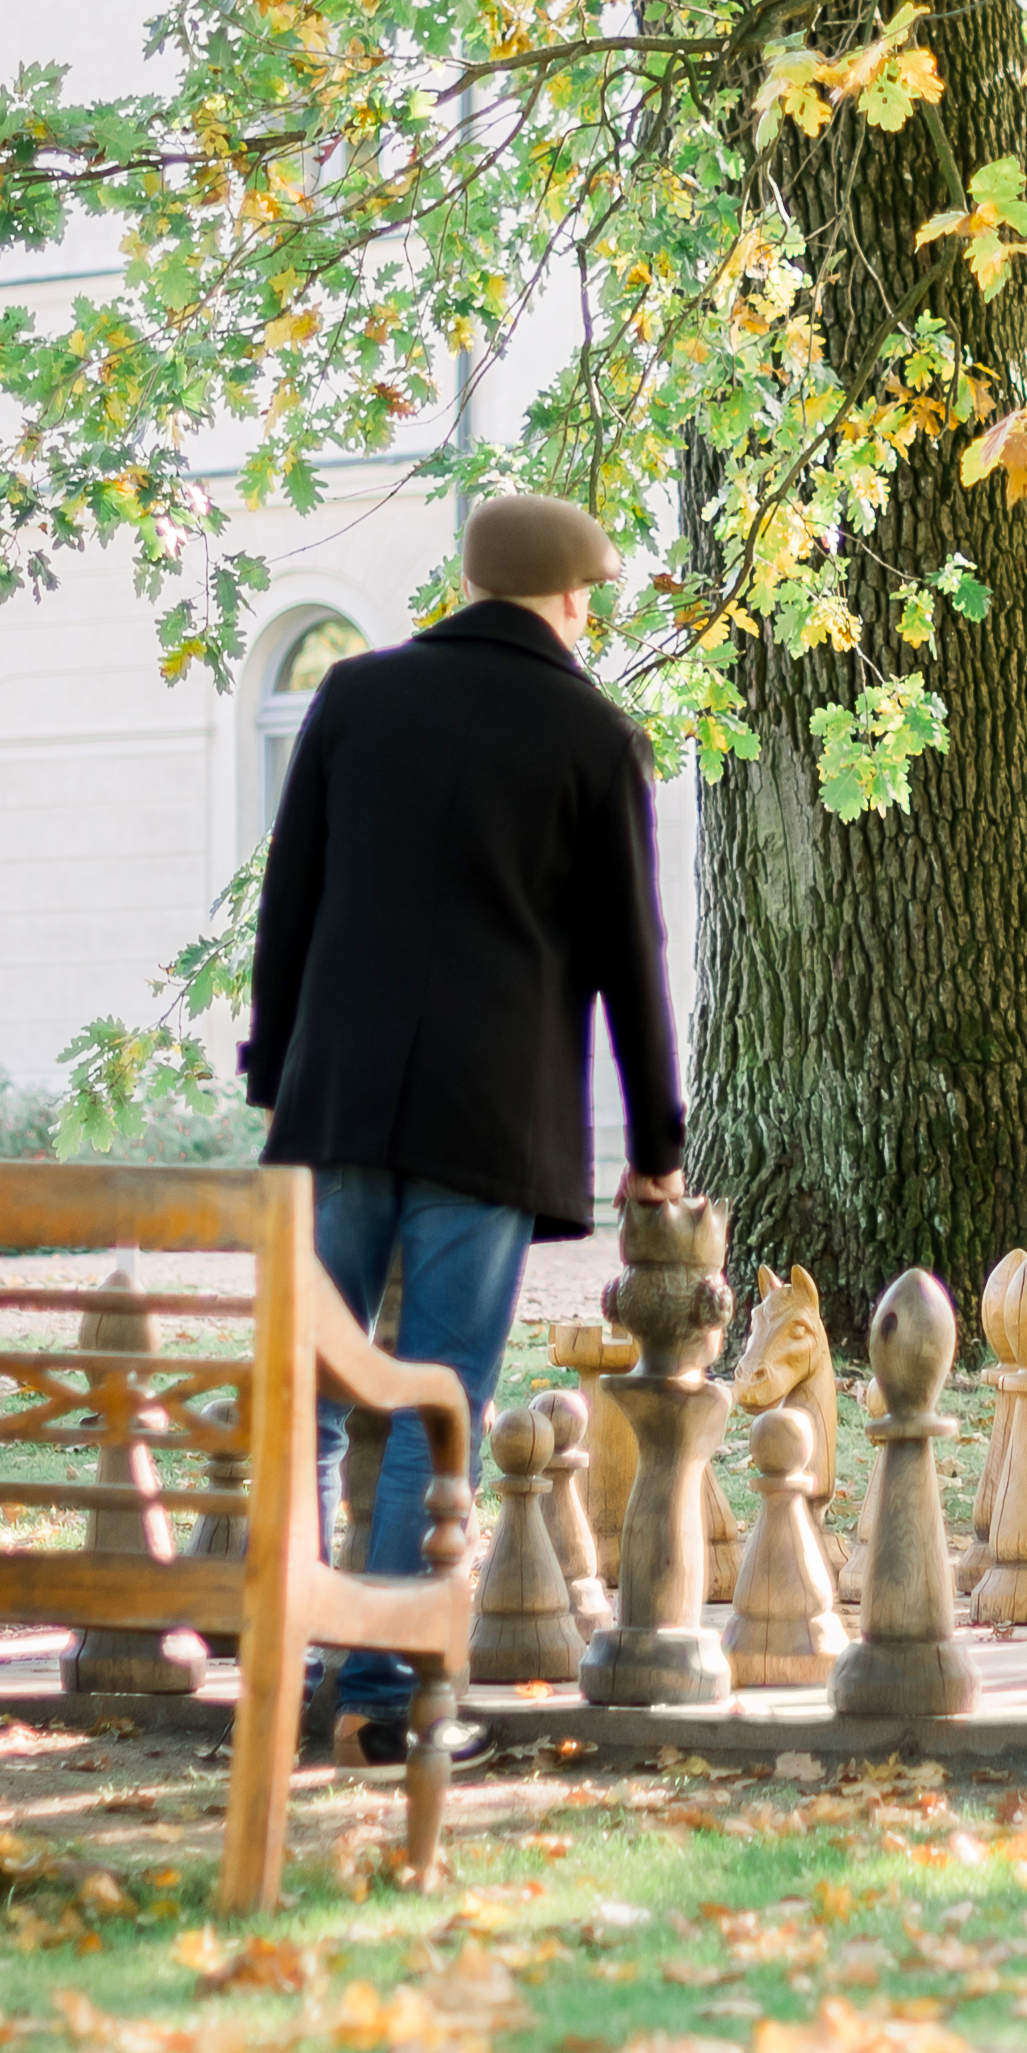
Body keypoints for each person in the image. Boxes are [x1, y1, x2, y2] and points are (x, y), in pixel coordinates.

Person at [243, 492, 690, 1764]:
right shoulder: (591, 736)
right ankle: (377, 1695)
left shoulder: (354, 696)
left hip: (337, 1106)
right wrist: (655, 1148)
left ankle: (285, 1669)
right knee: (433, 1407)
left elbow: (290, 897)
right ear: (569, 598)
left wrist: (275, 1071)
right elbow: (632, 960)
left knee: (307, 1396)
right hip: (486, 1121)